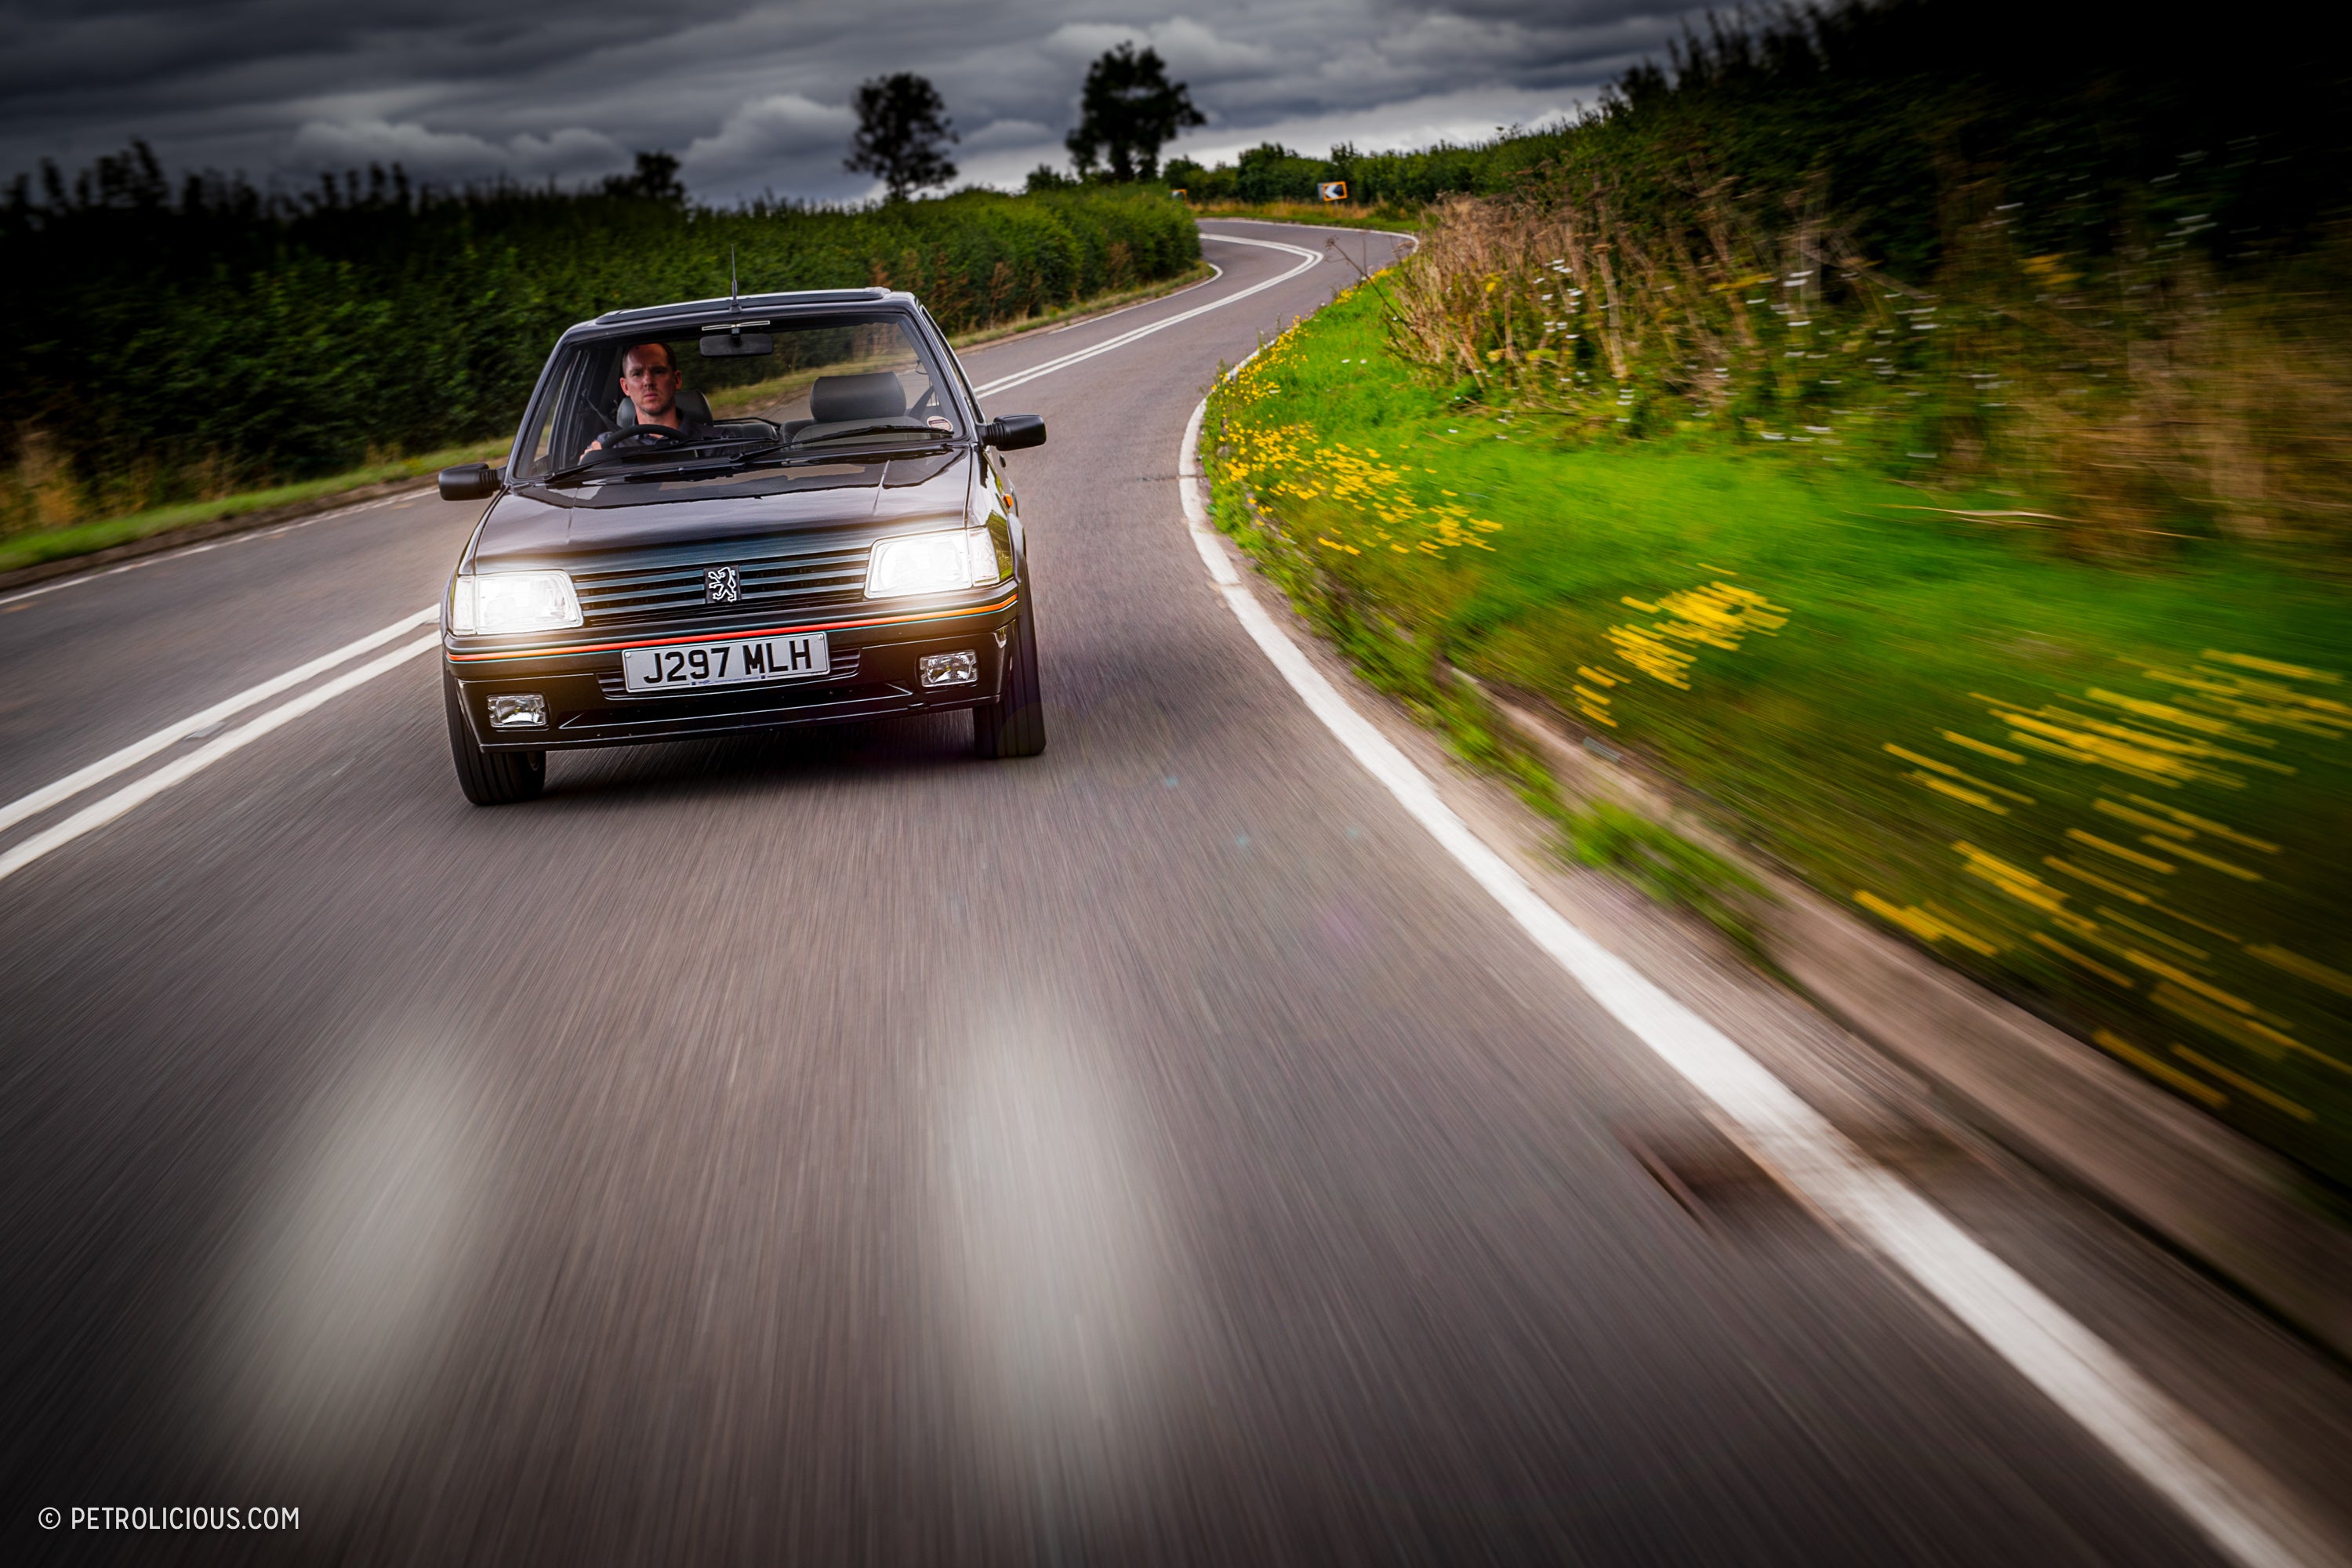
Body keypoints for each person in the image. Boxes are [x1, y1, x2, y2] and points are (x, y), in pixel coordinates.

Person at [583, 342, 707, 453]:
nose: (648, 381)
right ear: (625, 387)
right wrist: (588, 466)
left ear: (677, 379)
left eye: (658, 371)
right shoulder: (608, 447)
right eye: (637, 374)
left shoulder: (717, 442)